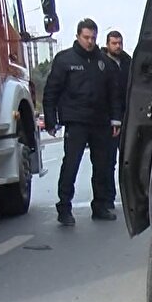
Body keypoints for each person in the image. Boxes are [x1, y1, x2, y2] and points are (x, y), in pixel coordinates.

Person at [42, 18, 123, 225]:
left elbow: (114, 93)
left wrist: (116, 120)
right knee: (71, 164)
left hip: (100, 121)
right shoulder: (65, 60)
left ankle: (101, 205)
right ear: (78, 36)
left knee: (103, 165)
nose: (89, 42)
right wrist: (51, 120)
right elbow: (51, 90)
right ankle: (64, 207)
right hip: (75, 120)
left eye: (93, 38)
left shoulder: (104, 63)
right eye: (86, 37)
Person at [100, 30, 131, 211]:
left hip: (127, 117)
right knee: (108, 161)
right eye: (114, 43)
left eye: (119, 43)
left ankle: (129, 198)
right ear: (107, 44)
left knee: (128, 161)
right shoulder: (101, 62)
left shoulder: (128, 62)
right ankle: (108, 197)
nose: (117, 46)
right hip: (109, 119)